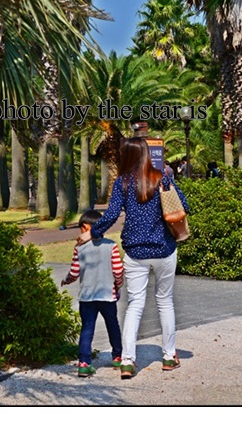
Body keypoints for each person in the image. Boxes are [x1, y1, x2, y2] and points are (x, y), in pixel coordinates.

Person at [79, 137, 189, 379]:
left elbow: (110, 215)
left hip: (135, 253)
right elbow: (184, 205)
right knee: (165, 302)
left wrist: (92, 233)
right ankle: (169, 356)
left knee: (135, 304)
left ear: (127, 155)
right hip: (164, 250)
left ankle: (128, 361)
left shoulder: (123, 183)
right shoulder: (162, 178)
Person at [61, 209, 124, 377]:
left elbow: (74, 272)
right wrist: (118, 285)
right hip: (107, 295)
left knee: (87, 328)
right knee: (113, 324)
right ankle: (117, 357)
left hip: (87, 296)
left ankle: (84, 363)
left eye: (81, 228)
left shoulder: (79, 248)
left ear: (86, 227)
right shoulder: (111, 245)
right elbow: (118, 271)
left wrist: (66, 280)